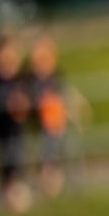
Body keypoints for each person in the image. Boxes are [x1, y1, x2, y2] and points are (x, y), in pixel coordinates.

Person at [0, 35, 32, 213]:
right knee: (6, 160)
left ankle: (17, 194)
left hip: (16, 128)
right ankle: (9, 195)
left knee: (18, 157)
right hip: (2, 128)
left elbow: (27, 100)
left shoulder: (20, 78)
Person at [25, 34, 69, 197]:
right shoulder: (31, 80)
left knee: (53, 144)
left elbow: (63, 97)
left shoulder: (55, 77)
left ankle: (52, 175)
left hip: (55, 123)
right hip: (39, 123)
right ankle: (47, 175)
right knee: (46, 145)